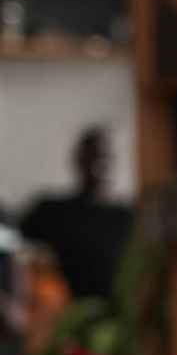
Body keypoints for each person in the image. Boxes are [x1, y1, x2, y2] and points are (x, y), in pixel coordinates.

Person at [18, 127, 134, 302]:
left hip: (119, 312)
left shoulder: (128, 217)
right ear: (78, 161)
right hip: (68, 312)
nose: (98, 166)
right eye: (91, 157)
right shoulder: (54, 212)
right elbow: (11, 238)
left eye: (104, 158)